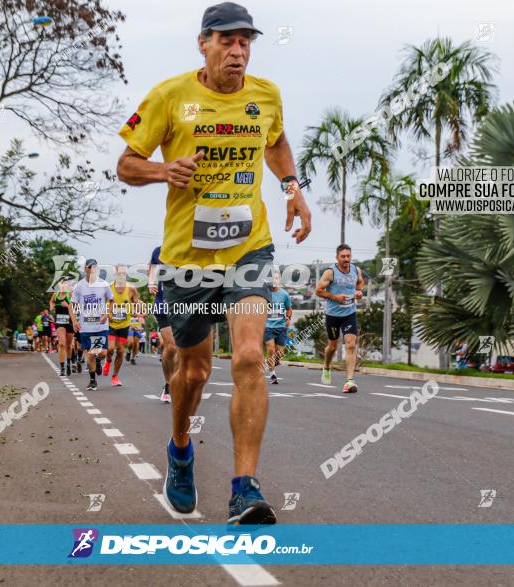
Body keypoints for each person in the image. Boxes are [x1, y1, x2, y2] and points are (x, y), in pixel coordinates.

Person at [116, 2, 311, 524]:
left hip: (249, 248)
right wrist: (163, 170)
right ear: (203, 43)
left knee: (249, 355)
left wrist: (293, 189)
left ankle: (244, 488)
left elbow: (276, 142)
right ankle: (180, 448)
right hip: (187, 259)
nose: (238, 50)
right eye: (226, 40)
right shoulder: (170, 96)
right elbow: (125, 164)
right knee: (194, 371)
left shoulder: (265, 96)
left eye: (245, 41)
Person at [315, 244, 363, 393]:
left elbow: (360, 282)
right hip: (333, 315)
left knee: (350, 345)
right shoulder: (330, 272)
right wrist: (335, 297)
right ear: (337, 257)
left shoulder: (356, 270)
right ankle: (327, 367)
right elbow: (318, 290)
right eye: (343, 256)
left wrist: (359, 292)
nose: (346, 259)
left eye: (348, 256)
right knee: (332, 347)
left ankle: (350, 381)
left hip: (349, 314)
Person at [71, 259, 113, 391]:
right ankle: (93, 380)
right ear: (85, 269)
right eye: (89, 267)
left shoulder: (104, 285)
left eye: (94, 267)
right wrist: (74, 321)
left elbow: (111, 301)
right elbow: (72, 306)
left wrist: (107, 314)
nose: (91, 270)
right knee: (89, 353)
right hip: (86, 326)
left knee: (103, 353)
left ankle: (99, 361)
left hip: (101, 326)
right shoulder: (79, 286)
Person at [103, 264, 139, 386]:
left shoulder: (131, 289)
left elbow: (135, 301)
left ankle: (115, 377)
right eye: (120, 274)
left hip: (124, 325)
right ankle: (108, 361)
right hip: (111, 324)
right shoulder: (108, 288)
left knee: (120, 351)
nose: (122, 276)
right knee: (110, 349)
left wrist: (134, 310)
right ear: (115, 274)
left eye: (124, 274)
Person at [149, 245, 177, 403]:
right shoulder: (159, 250)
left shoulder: (193, 248)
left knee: (184, 349)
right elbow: (152, 266)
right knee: (171, 347)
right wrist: (151, 282)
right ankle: (168, 384)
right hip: (163, 304)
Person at [263, 271, 292, 384]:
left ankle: (275, 361)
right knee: (271, 350)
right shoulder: (264, 294)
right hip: (268, 326)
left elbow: (289, 308)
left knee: (279, 353)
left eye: (276, 279)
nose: (274, 281)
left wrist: (288, 318)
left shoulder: (284, 294)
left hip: (281, 327)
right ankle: (272, 375)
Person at [50, 280, 75, 376]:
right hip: (59, 321)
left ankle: (68, 362)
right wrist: (51, 306)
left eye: (65, 284)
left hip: (70, 321)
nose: (63, 285)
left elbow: (77, 307)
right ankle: (62, 367)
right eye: (61, 283)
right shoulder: (56, 295)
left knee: (68, 345)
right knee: (61, 344)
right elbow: (51, 302)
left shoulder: (70, 295)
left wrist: (68, 305)